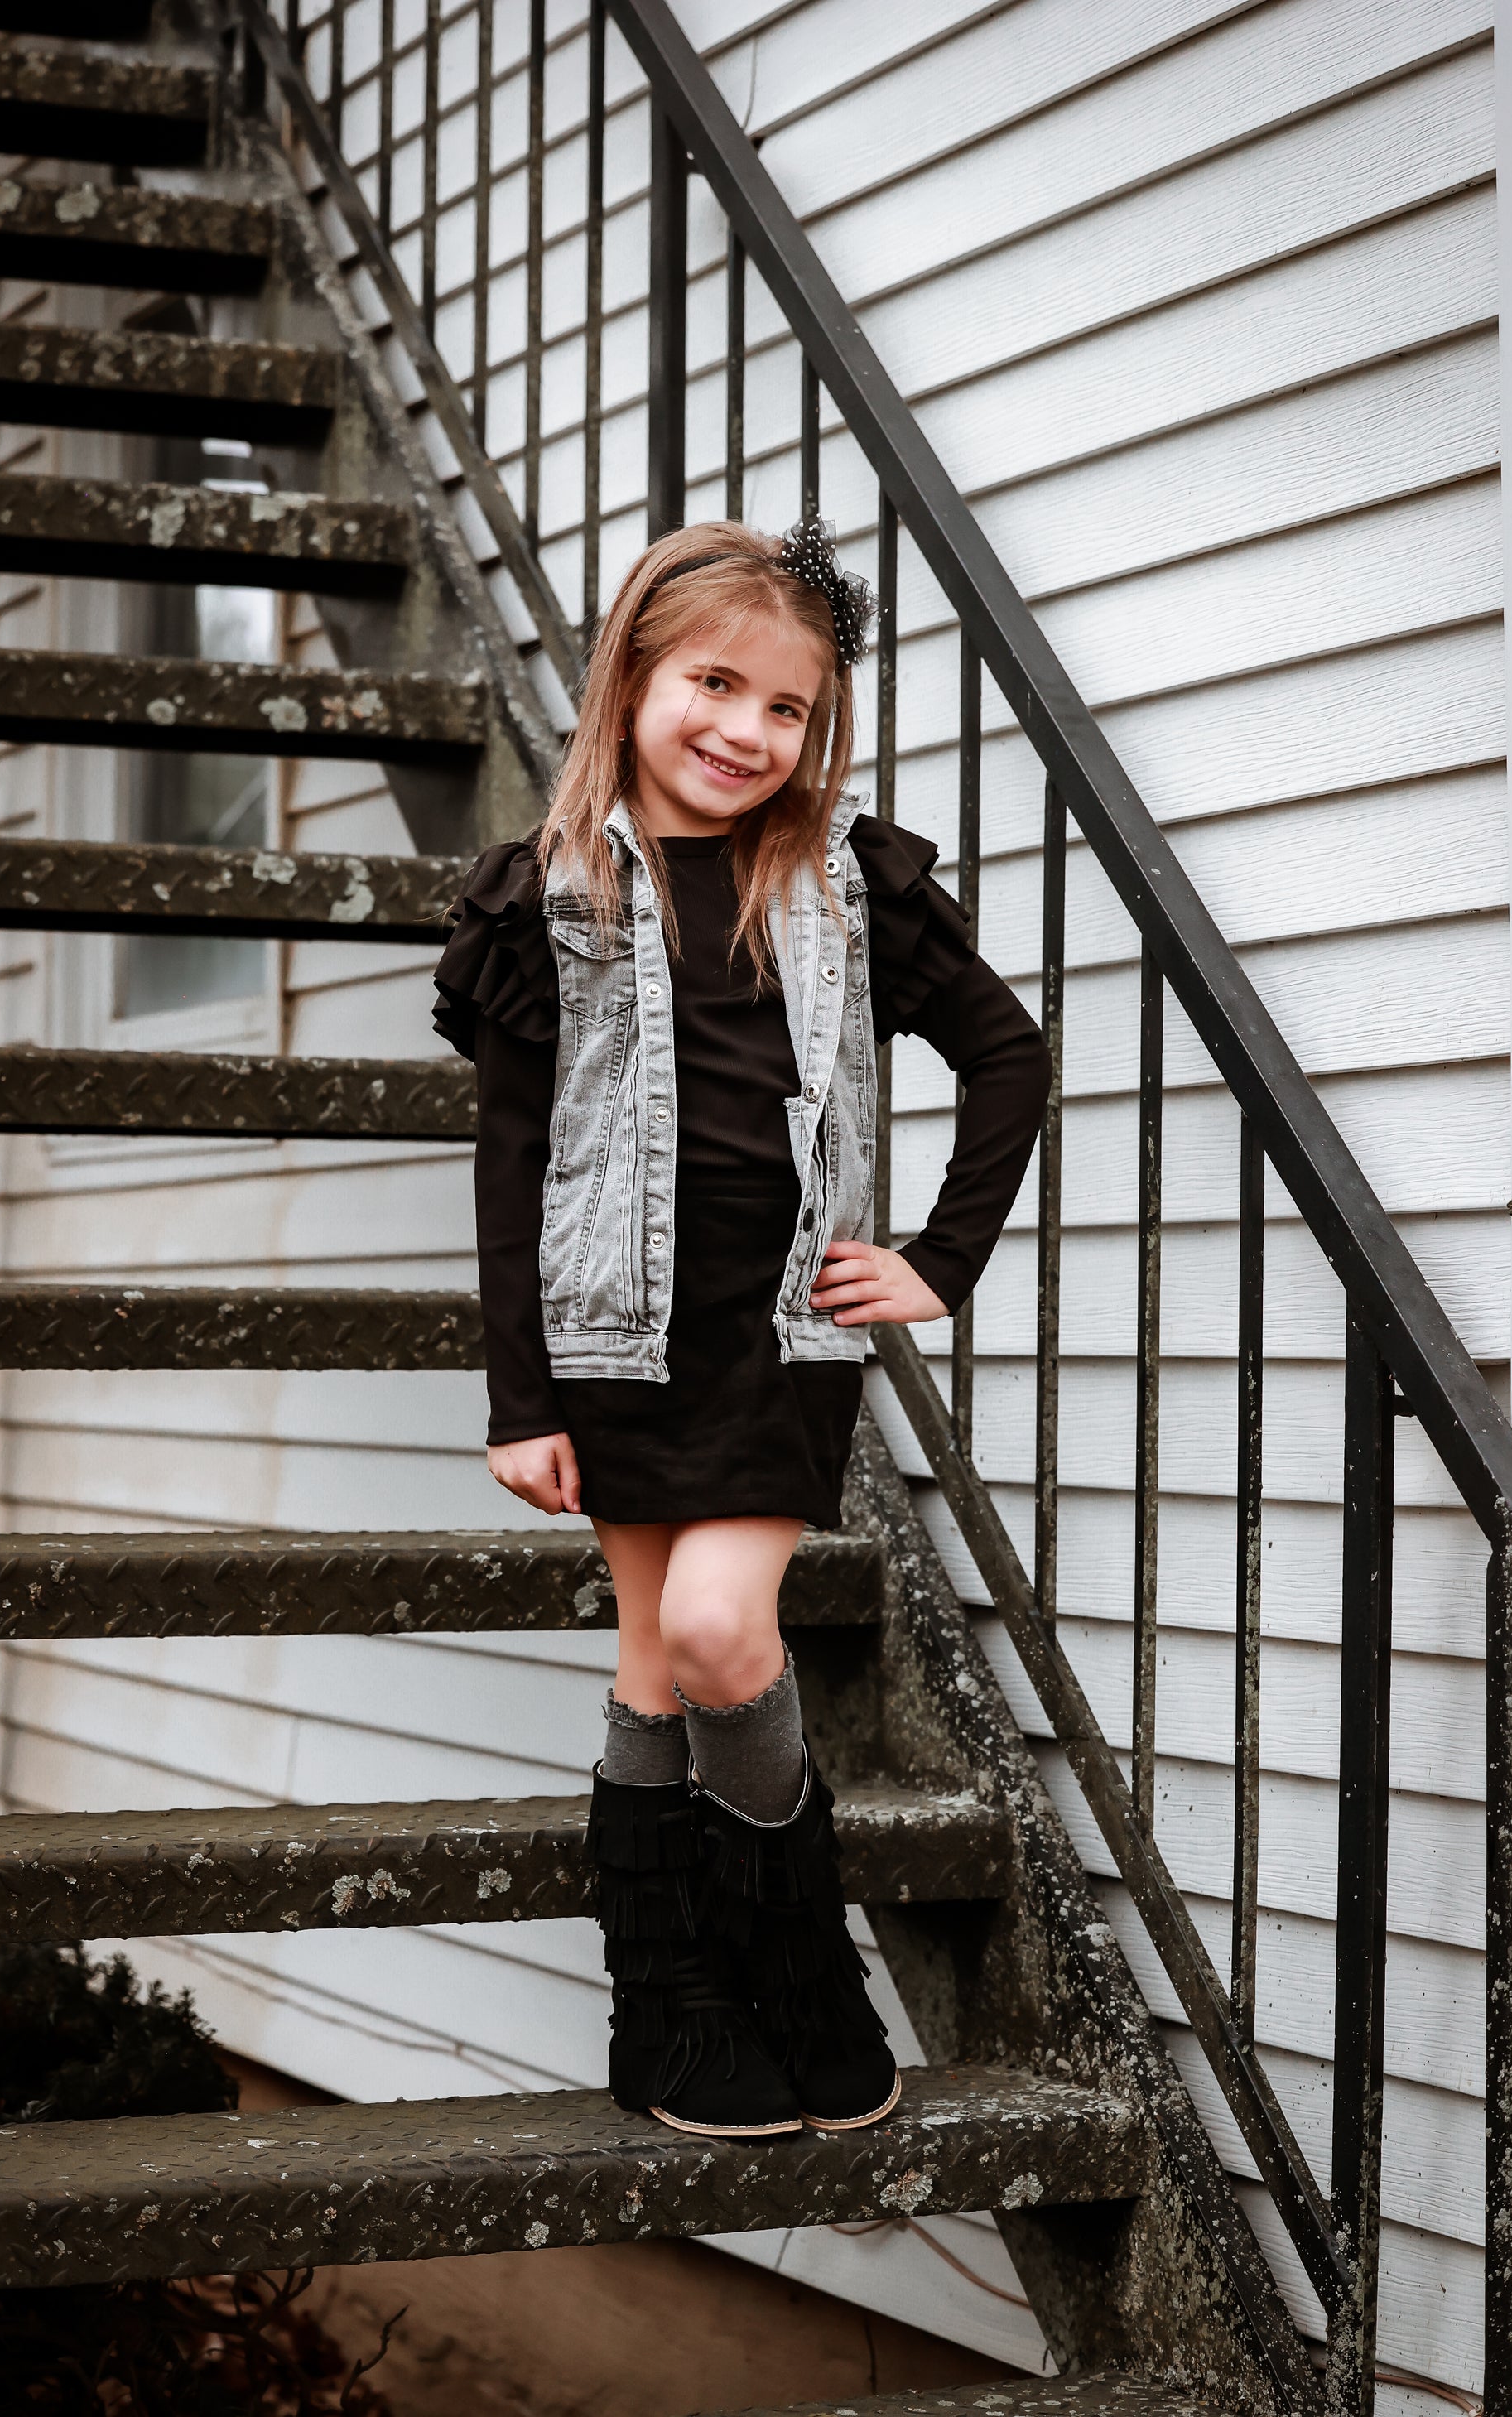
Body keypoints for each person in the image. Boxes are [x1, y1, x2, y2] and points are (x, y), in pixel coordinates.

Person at [434, 517, 1051, 2142]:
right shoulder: (547, 900)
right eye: (714, 683)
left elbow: (1007, 1053)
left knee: (717, 1628)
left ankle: (801, 1969)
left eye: (787, 708)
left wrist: (938, 1259)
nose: (745, 730)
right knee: (652, 1662)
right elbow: (511, 1165)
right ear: (633, 678)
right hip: (609, 1342)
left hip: (776, 1340)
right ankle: (670, 2012)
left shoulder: (842, 880)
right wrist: (518, 1398)